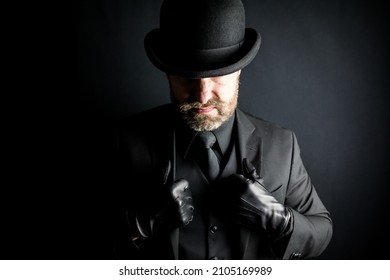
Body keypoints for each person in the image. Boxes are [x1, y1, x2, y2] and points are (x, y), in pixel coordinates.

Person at [113, 0, 332, 260]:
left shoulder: (282, 145)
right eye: (187, 77)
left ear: (238, 71)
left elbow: (322, 230)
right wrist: (140, 224)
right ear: (168, 75)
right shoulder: (125, 141)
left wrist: (278, 219)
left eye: (218, 76)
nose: (203, 95)